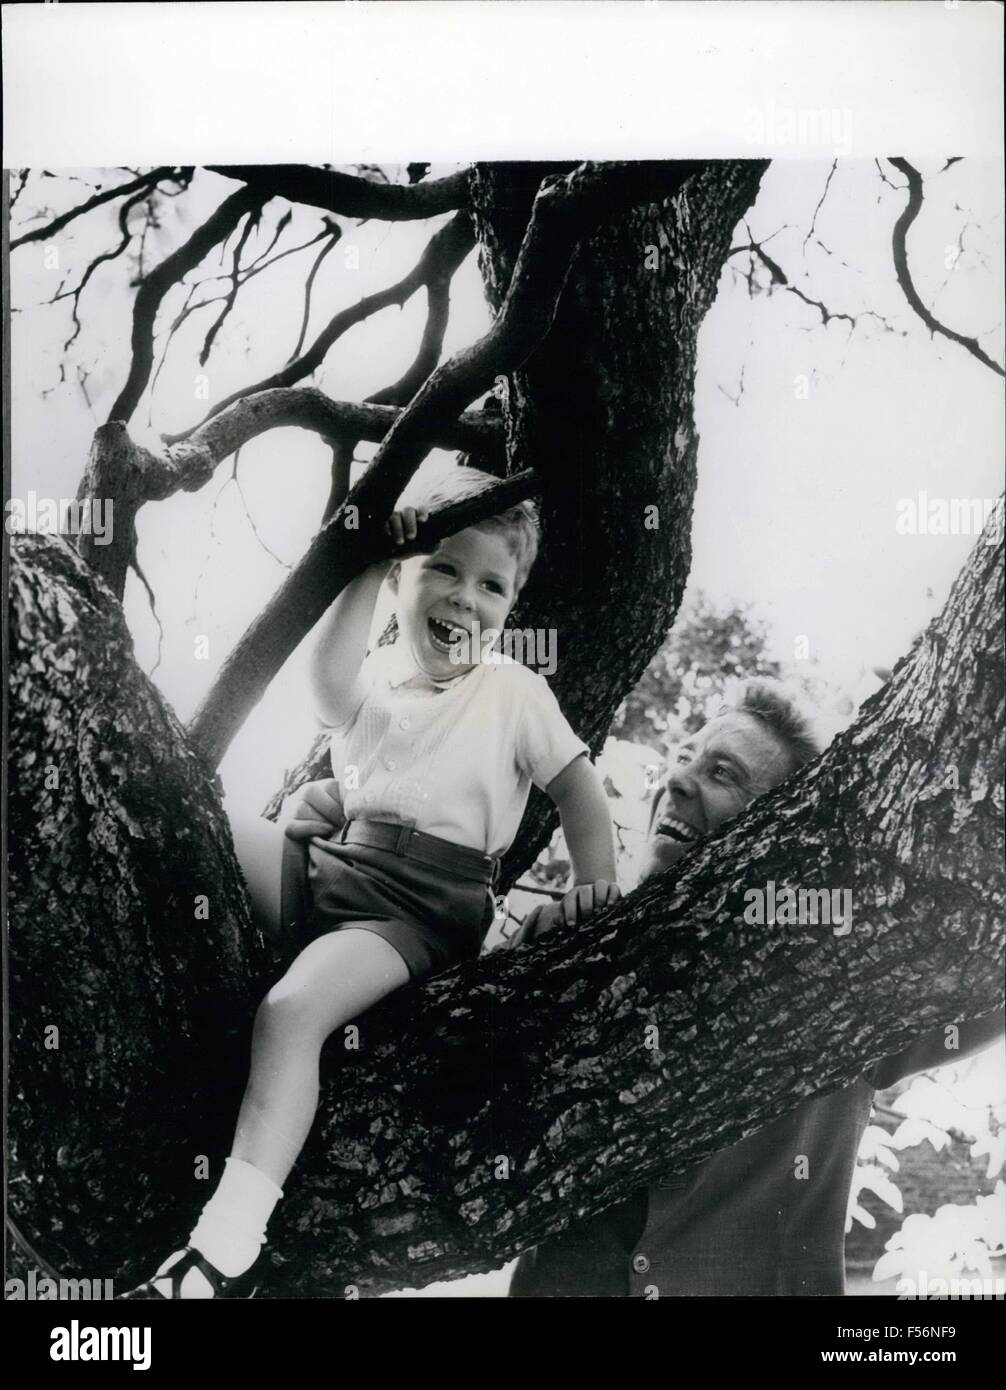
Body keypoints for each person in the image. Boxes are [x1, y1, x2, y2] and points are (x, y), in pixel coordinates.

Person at [122, 466, 620, 1299]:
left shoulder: (513, 692)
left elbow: (577, 786)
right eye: (443, 569)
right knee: (181, 824)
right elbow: (325, 683)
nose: (465, 598)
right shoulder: (380, 675)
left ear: (510, 606)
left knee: (291, 1013)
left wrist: (596, 884)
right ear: (403, 578)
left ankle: (222, 1253)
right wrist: (360, 565)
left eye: (491, 585)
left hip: (417, 910)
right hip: (335, 862)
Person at [507, 679, 1005, 1296]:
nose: (677, 781)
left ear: (784, 833)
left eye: (722, 773)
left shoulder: (850, 976)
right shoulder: (569, 944)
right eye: (684, 758)